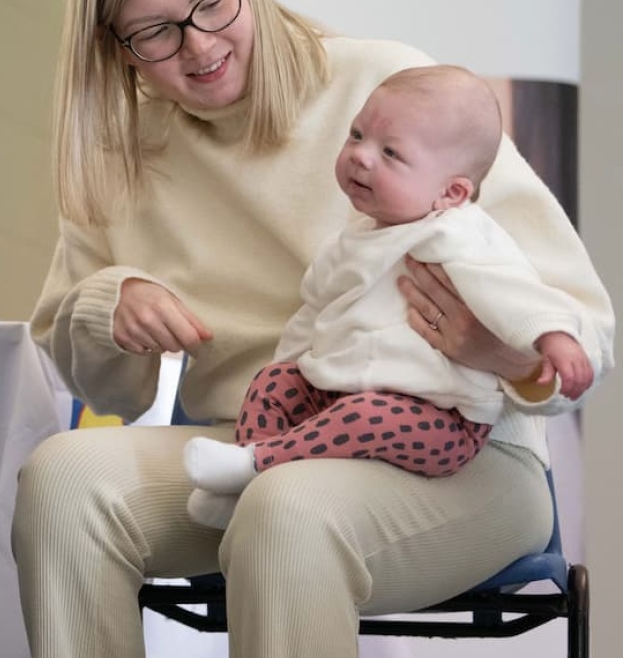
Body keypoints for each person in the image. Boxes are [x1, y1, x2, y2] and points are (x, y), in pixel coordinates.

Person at [14, 0, 613, 658]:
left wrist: (505, 355)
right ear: (116, 47)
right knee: (62, 480)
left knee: (288, 510)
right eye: (153, 32)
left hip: (461, 457)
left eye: (213, 4)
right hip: (251, 446)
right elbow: (104, 386)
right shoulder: (125, 154)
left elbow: (584, 319)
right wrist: (106, 306)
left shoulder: (387, 89)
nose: (198, 48)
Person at [181, 64, 598, 528]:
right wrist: (293, 371)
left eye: (391, 153)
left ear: (451, 192)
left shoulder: (458, 236)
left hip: (441, 421)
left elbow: (514, 293)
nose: (361, 156)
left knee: (368, 414)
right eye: (357, 134)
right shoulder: (350, 239)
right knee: (271, 384)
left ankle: (255, 465)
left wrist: (554, 337)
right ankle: (241, 491)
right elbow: (311, 317)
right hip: (339, 395)